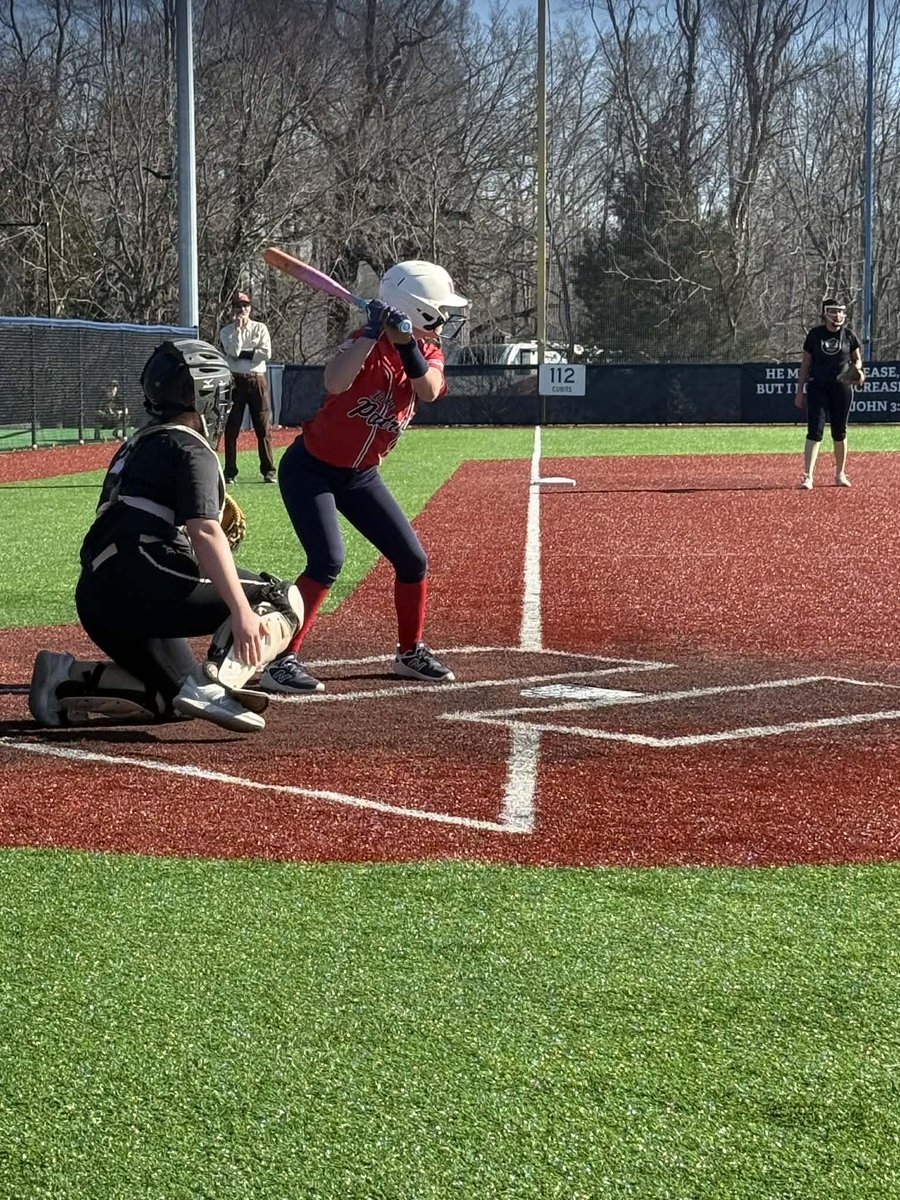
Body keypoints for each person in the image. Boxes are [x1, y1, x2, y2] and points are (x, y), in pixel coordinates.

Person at [28, 339, 303, 734]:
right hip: (143, 572)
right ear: (205, 396)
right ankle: (217, 684)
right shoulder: (191, 446)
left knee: (169, 699)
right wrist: (242, 611)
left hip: (97, 593)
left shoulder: (138, 442)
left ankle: (63, 678)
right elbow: (205, 530)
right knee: (281, 598)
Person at [258, 259, 468, 695]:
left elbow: (428, 390)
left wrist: (406, 344)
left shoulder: (427, 352)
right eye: (439, 313)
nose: (444, 322)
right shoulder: (362, 343)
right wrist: (373, 332)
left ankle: (409, 651)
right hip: (311, 469)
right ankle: (280, 661)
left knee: (412, 560)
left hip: (360, 476)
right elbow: (335, 382)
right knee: (327, 561)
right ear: (418, 308)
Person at [794, 297, 864, 489]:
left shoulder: (848, 335)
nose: (837, 314)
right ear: (824, 313)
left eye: (840, 311)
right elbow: (806, 364)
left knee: (839, 431)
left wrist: (857, 370)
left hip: (841, 388)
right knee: (814, 431)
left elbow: (857, 359)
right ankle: (808, 476)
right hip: (818, 386)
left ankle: (840, 474)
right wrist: (799, 391)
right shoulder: (815, 335)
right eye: (833, 311)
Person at [218, 290, 275, 485]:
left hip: (257, 379)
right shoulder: (226, 331)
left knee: (263, 426)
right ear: (233, 309)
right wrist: (239, 332)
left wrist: (243, 354)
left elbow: (265, 354)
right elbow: (232, 352)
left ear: (250, 308)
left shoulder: (260, 328)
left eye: (245, 306)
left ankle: (268, 471)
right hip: (235, 381)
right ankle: (230, 472)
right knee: (232, 427)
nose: (242, 310)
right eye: (238, 306)